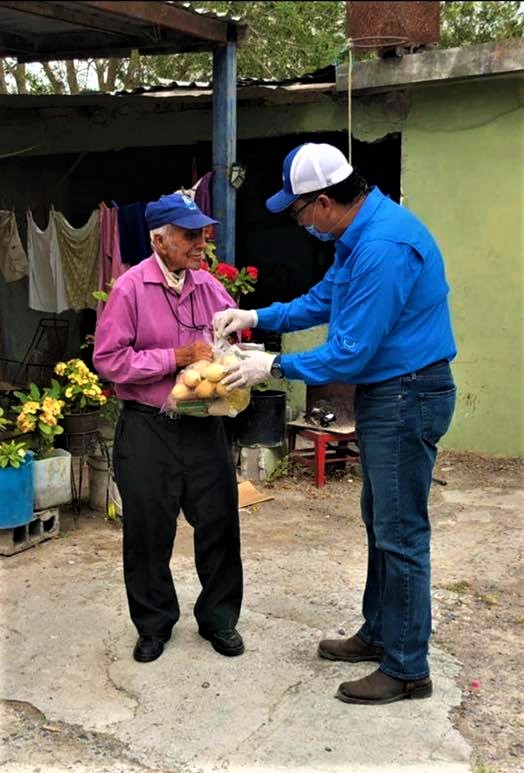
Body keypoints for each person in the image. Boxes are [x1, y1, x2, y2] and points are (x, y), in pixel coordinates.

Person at [213, 143, 457, 704]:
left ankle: (407, 667)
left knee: (401, 533)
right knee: (381, 521)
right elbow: (323, 300)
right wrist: (257, 315)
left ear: (323, 202)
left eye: (299, 212)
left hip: (407, 393)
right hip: (391, 391)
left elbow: (350, 352)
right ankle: (381, 633)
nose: (299, 223)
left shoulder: (383, 246)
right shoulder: (358, 236)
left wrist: (273, 365)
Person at [94, 192, 244, 663]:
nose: (201, 243)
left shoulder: (209, 286)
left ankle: (219, 619)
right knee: (147, 530)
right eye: (189, 235)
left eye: (202, 234)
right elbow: (109, 360)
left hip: (204, 425)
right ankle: (154, 625)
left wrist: (233, 352)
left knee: (219, 523)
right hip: (148, 428)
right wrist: (175, 358)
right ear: (160, 240)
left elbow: (234, 336)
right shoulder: (130, 288)